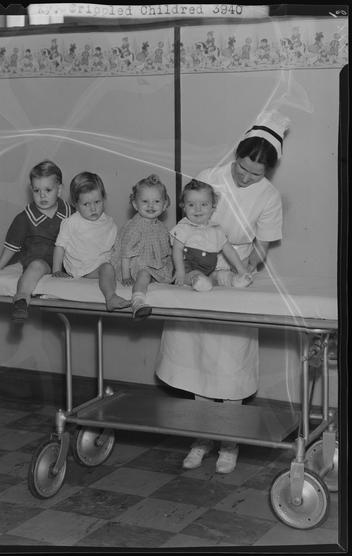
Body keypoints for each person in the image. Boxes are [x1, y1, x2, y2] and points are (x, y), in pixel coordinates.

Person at [155, 110, 290, 474]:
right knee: (199, 362)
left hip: (236, 273)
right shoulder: (209, 178)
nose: (246, 177)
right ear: (236, 155)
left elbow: (262, 245)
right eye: (242, 167)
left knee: (229, 364)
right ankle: (201, 437)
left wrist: (244, 272)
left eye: (256, 173)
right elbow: (186, 225)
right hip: (199, 272)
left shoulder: (269, 197)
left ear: (268, 173)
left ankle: (229, 442)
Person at [0, 160, 72, 323]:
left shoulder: (71, 213)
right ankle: (21, 300)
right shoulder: (24, 218)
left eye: (48, 190)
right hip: (40, 260)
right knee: (36, 267)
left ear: (60, 190)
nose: (42, 195)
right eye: (37, 190)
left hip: (67, 263)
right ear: (31, 190)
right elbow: (12, 245)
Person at [52, 171, 130, 312]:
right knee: (107, 268)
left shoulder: (109, 222)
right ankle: (111, 297)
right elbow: (60, 247)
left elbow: (114, 249)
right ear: (75, 204)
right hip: (82, 268)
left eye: (97, 202)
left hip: (103, 263)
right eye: (86, 204)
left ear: (103, 199)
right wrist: (56, 270)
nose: (93, 208)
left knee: (125, 264)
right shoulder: (71, 222)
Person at [171, 179, 253, 292]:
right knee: (196, 275)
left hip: (210, 270)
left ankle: (235, 280)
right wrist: (180, 271)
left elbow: (229, 251)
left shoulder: (216, 230)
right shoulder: (183, 227)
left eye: (204, 204)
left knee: (220, 275)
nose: (197, 209)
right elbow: (177, 250)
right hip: (188, 270)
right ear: (184, 207)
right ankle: (199, 282)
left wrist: (241, 269)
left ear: (213, 207)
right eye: (191, 204)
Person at [112, 174, 173, 320]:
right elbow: (126, 254)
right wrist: (126, 276)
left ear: (164, 205)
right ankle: (137, 301)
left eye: (156, 201)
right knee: (144, 274)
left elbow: (165, 252)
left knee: (162, 274)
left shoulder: (161, 227)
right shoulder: (135, 227)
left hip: (155, 264)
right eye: (145, 201)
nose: (151, 206)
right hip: (136, 265)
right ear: (135, 204)